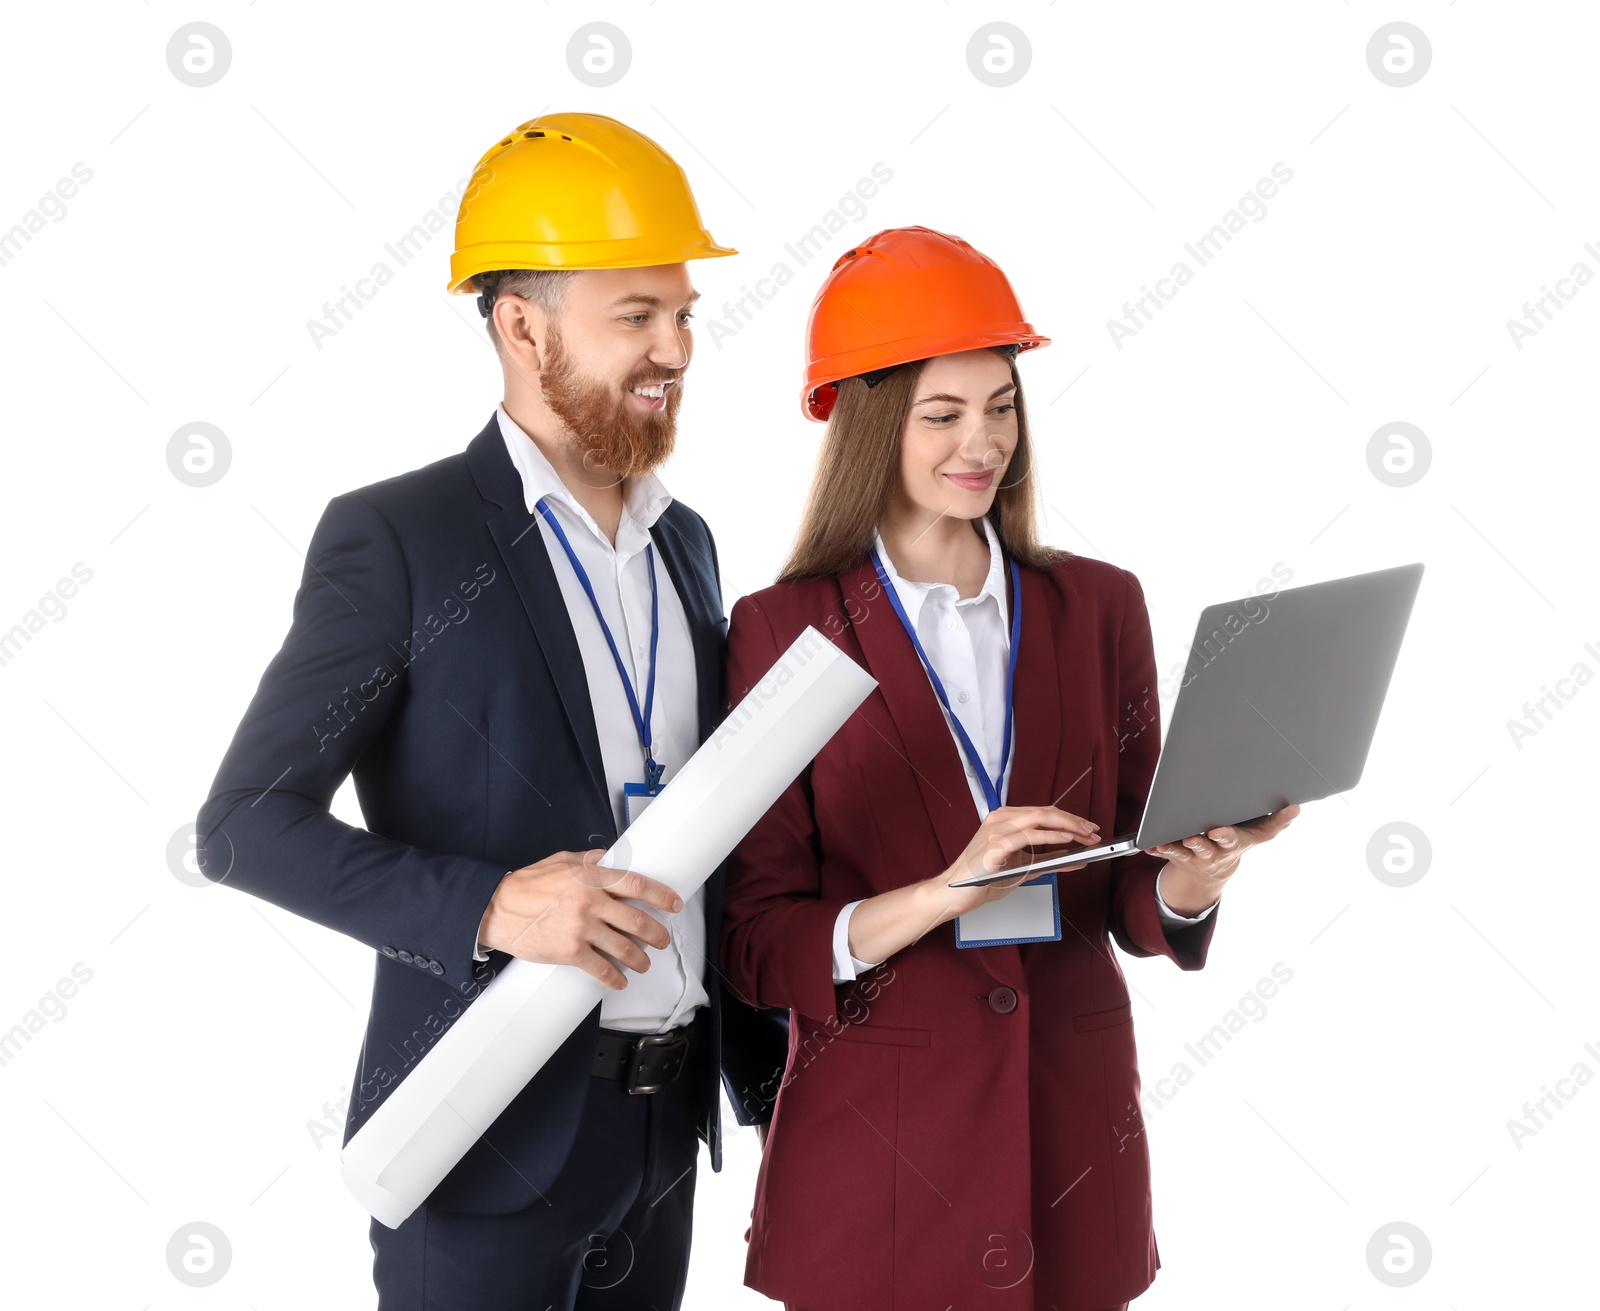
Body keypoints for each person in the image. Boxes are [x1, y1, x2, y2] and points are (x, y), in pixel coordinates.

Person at [195, 112, 785, 1310]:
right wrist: (492, 906)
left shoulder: (688, 544)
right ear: (520, 323)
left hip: (662, 1138)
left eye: (684, 313)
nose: (676, 345)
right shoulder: (401, 539)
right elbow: (246, 822)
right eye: (636, 316)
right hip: (481, 1137)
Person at [719, 226, 1299, 1311]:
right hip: (875, 1161)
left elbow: (1129, 883)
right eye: (942, 414)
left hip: (1069, 1143)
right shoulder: (780, 632)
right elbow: (755, 940)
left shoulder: (1100, 605)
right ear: (867, 423)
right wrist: (946, 893)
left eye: (1001, 405)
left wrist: (1194, 876)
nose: (980, 442)